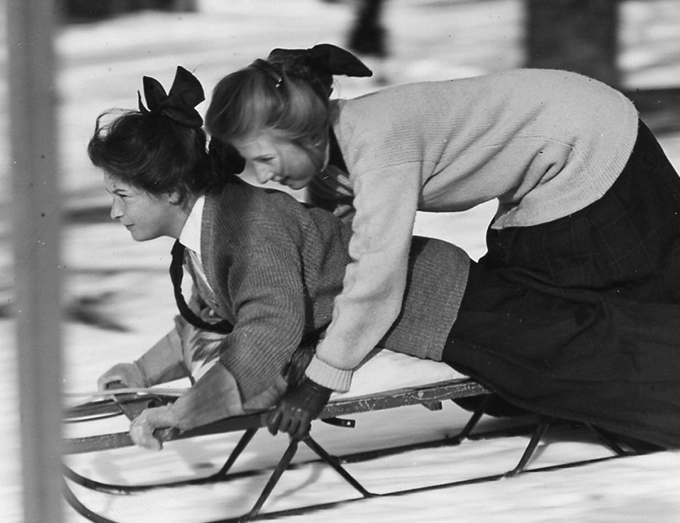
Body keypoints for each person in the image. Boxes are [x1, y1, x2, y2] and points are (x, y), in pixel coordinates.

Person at [204, 46, 680, 446]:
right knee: (545, 321)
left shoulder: (377, 142)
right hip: (578, 135)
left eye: (264, 160)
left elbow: (374, 274)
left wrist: (318, 383)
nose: (262, 180)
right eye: (247, 168)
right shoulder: (338, 150)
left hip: (582, 151)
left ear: (302, 132)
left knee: (575, 325)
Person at [87, 66, 468, 450]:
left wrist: (183, 414)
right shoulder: (205, 231)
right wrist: (139, 372)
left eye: (122, 196)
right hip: (399, 304)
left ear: (170, 190)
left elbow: (269, 328)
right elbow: (204, 318)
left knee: (521, 382)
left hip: (440, 305)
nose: (114, 212)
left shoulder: (248, 227)